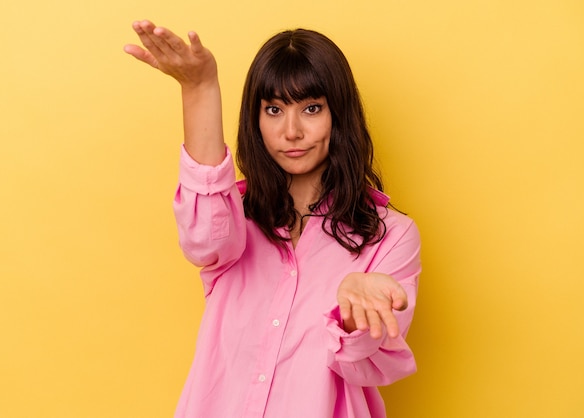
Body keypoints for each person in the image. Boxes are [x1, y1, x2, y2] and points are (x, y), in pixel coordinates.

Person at [124, 20, 421, 418]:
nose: (292, 131)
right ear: (257, 118)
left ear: (339, 114)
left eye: (311, 108)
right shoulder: (232, 219)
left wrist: (353, 312)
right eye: (274, 110)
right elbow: (203, 239)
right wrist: (199, 89)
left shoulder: (391, 236)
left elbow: (367, 363)